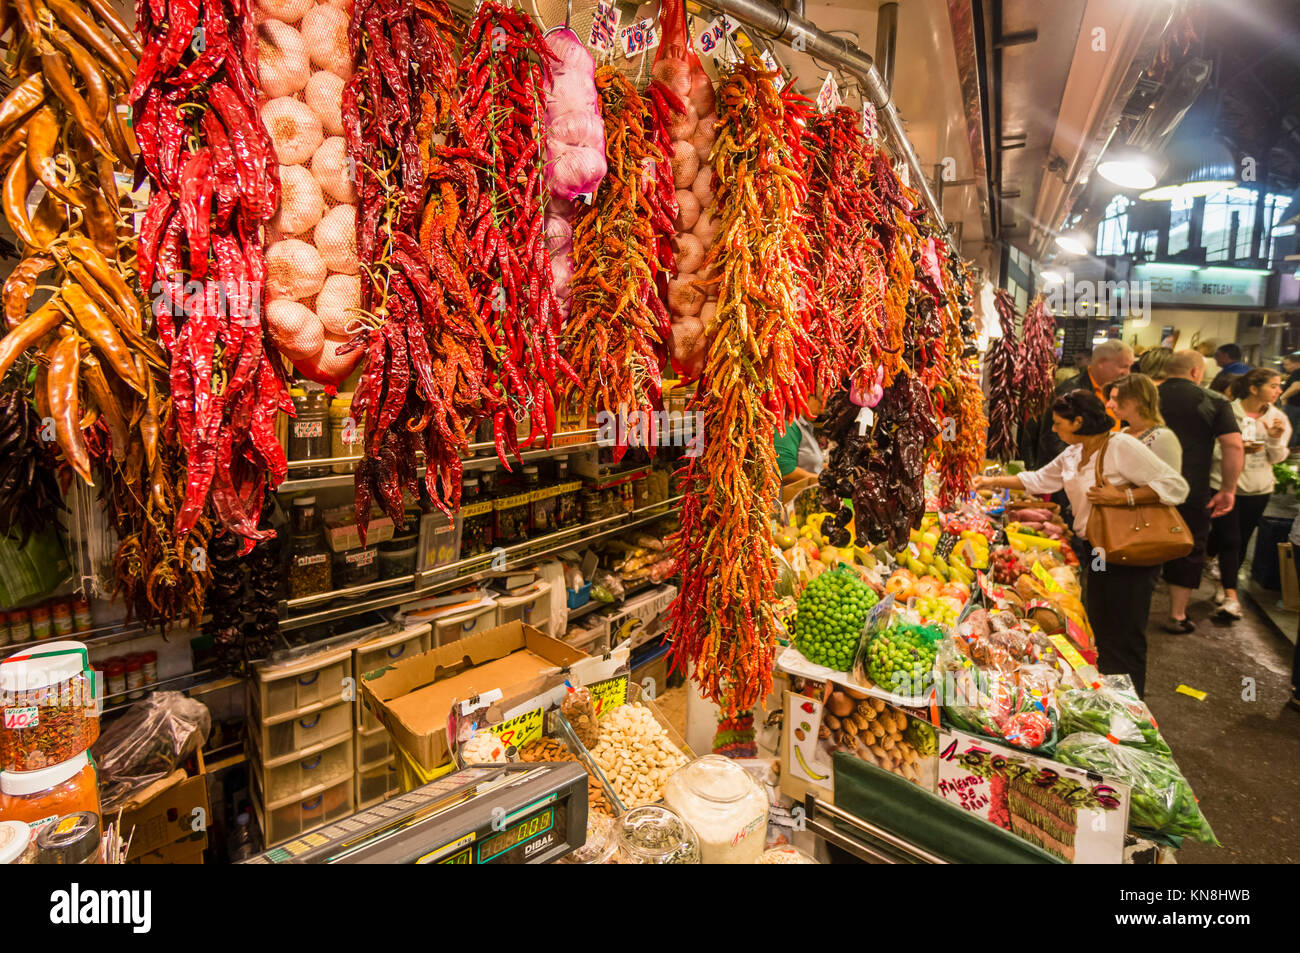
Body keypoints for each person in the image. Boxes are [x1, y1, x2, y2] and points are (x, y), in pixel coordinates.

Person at [974, 391, 1188, 696]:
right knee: (1101, 621)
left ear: (1079, 421)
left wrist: (1123, 496)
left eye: (1059, 423)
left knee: (1126, 628)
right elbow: (1039, 480)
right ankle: (1106, 688)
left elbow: (1174, 486)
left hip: (1130, 553)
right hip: (1096, 550)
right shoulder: (1074, 452)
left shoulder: (1120, 446)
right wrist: (989, 481)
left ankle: (1131, 699)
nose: (1052, 429)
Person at [1158, 349, 1244, 632]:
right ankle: (1177, 615)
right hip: (1190, 490)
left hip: (1144, 486)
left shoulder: (1148, 395)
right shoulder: (1214, 401)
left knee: (1139, 541)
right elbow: (1233, 446)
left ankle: (1128, 609)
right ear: (1196, 371)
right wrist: (1228, 489)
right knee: (1189, 547)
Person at [1206, 368, 1292, 620]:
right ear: (1254, 388)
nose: (1279, 391)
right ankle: (1232, 596)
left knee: (1242, 538)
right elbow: (1210, 451)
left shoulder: (1278, 418)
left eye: (1280, 386)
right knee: (1229, 537)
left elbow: (1277, 458)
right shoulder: (1227, 411)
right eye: (1273, 386)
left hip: (1259, 486)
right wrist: (1235, 449)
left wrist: (1275, 439)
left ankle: (1223, 585)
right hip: (1223, 484)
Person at [1103, 374, 1182, 471]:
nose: (1108, 405)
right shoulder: (1122, 432)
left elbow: (1171, 483)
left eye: (1115, 399)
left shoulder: (1163, 437)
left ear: (1137, 400)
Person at [776, 391, 826, 483]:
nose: (822, 410)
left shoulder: (805, 426)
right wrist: (821, 480)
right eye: (821, 402)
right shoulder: (789, 424)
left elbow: (808, 462)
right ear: (808, 397)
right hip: (792, 495)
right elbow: (785, 470)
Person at [1278, 351, 1300, 446]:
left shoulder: (1297, 372)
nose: (1284, 367)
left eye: (1287, 364)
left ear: (1296, 363)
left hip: (1294, 406)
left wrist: (1282, 397)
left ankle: (1290, 451)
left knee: (1290, 430)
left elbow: (1297, 387)